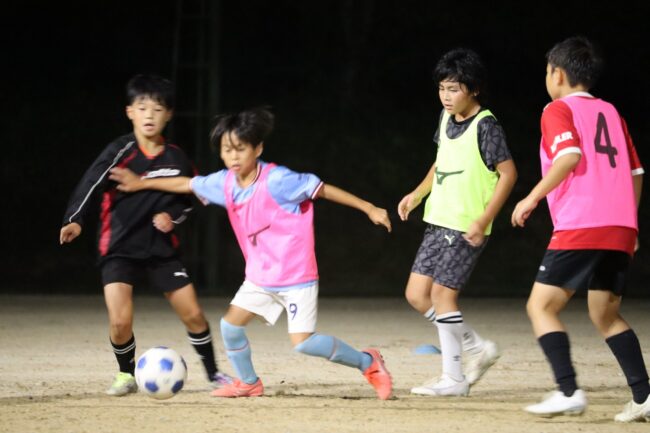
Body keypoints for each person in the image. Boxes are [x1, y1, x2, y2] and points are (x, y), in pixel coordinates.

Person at [109, 107, 394, 399]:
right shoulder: (224, 183)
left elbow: (322, 189)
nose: (233, 157)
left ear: (258, 149)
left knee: (304, 343)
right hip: (259, 277)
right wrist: (140, 183)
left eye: (240, 149)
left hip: (296, 275)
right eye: (227, 150)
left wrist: (369, 208)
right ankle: (248, 382)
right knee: (230, 327)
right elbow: (186, 184)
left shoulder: (279, 180)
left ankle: (368, 362)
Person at [60, 74, 230, 396]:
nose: (149, 115)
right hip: (119, 247)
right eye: (142, 108)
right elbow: (91, 182)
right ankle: (126, 374)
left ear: (169, 115)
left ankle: (214, 374)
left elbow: (191, 199)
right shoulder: (120, 151)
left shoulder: (177, 158)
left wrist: (172, 217)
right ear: (130, 112)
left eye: (157, 108)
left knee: (194, 314)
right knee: (120, 322)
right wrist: (74, 219)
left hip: (162, 249)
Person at [511, 36, 649, 422]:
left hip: (583, 224)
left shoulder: (557, 109)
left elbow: (569, 155)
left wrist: (531, 198)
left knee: (541, 306)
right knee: (605, 314)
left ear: (557, 74)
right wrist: (631, 223)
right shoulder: (611, 112)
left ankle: (568, 391)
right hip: (620, 227)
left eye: (547, 71)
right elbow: (637, 172)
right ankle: (644, 397)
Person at [397, 48, 517, 397]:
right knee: (417, 295)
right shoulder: (445, 118)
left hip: (466, 225)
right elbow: (442, 160)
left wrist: (484, 218)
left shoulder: (487, 126)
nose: (446, 96)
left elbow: (508, 174)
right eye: (442, 88)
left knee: (442, 296)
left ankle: (453, 378)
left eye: (453, 89)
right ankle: (477, 347)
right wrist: (418, 194)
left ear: (474, 89)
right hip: (438, 220)